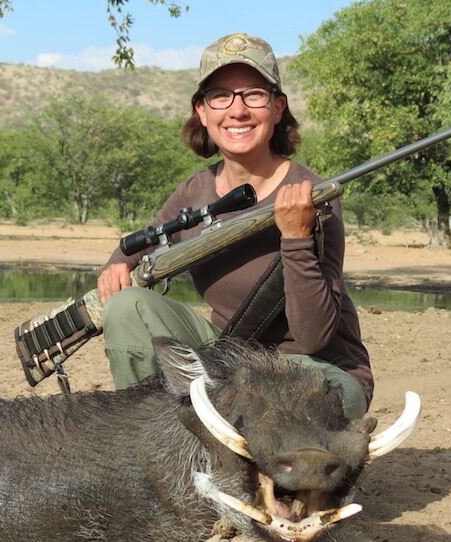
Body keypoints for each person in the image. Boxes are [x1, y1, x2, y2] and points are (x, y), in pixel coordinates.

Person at [97, 32, 373, 418]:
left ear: (278, 108)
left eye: (254, 95)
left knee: (307, 405)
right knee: (126, 306)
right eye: (221, 96)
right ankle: (148, 437)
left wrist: (295, 238)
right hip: (230, 360)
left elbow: (314, 337)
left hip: (314, 369)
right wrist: (118, 268)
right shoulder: (193, 191)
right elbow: (138, 247)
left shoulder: (314, 197)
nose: (238, 111)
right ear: (202, 111)